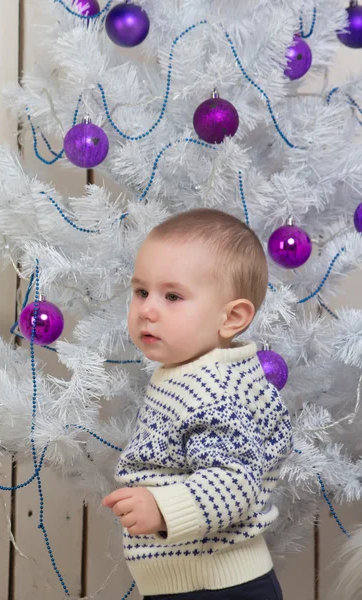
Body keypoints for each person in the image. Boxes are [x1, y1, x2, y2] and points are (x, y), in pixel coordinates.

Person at [103, 208, 293, 600]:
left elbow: (236, 481)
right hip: (195, 580)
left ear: (232, 317)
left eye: (172, 296)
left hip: (218, 585)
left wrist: (162, 507)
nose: (147, 309)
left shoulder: (212, 389)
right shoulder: (187, 373)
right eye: (141, 291)